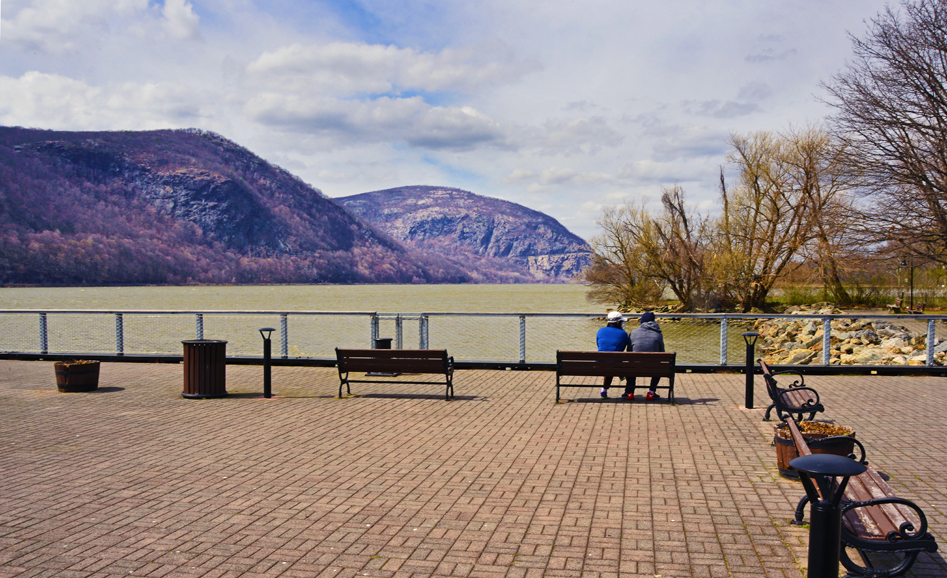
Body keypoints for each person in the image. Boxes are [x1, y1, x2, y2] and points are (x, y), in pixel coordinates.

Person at [629, 311, 665, 400]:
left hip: (635, 367)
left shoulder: (633, 332)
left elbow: (629, 351)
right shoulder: (658, 334)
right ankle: (651, 392)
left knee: (630, 364)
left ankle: (630, 392)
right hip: (653, 368)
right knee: (659, 365)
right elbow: (662, 353)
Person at [596, 310, 630, 398]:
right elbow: (622, 349)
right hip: (614, 363)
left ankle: (604, 391)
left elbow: (599, 345)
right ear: (618, 322)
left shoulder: (600, 331)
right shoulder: (623, 334)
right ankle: (625, 385)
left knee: (609, 362)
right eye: (622, 322)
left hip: (598, 363)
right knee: (613, 361)